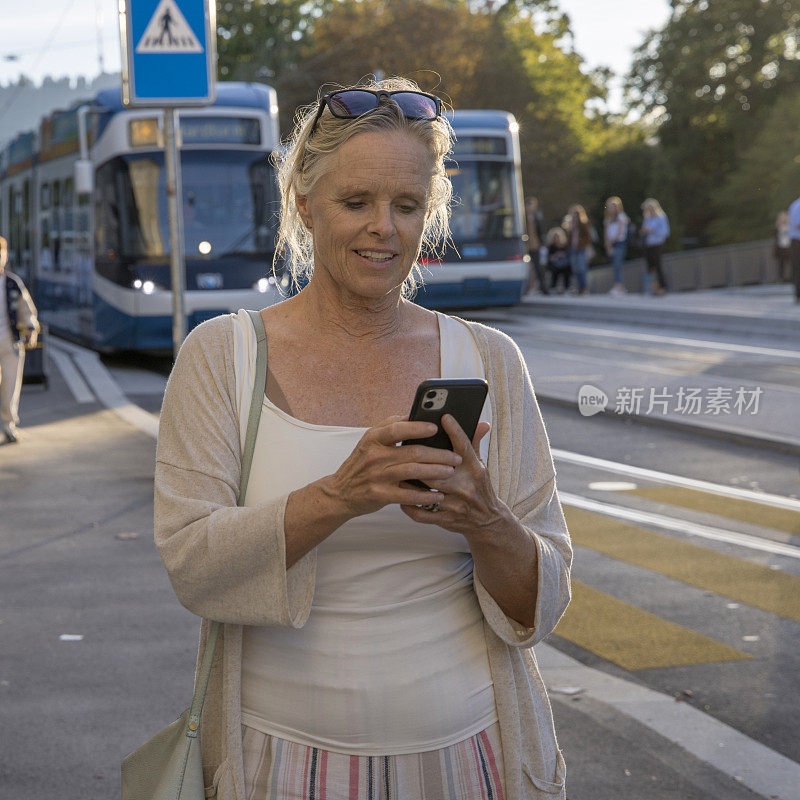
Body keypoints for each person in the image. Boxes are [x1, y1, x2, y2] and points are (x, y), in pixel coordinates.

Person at [154, 78, 572, 800]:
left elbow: (543, 601)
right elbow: (193, 566)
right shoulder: (222, 355)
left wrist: (487, 520)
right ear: (304, 205)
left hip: (469, 759)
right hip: (274, 764)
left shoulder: (491, 360)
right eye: (357, 203)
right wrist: (339, 496)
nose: (385, 227)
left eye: (407, 205)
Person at [0, 235, 39, 444]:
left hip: (11, 343)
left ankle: (8, 425)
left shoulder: (13, 283)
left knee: (10, 385)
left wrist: (31, 328)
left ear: (5, 256)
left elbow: (26, 309)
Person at [640, 198, 671, 295]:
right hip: (649, 244)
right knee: (650, 266)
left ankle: (662, 287)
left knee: (658, 266)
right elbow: (644, 230)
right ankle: (652, 287)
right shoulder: (647, 218)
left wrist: (653, 231)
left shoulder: (661, 217)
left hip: (658, 243)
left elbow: (665, 232)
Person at [603, 196, 629, 295]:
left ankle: (618, 285)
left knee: (618, 264)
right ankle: (619, 285)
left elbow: (620, 232)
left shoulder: (621, 217)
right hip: (611, 244)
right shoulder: (608, 219)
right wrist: (608, 245)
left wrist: (612, 241)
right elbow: (606, 233)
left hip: (619, 243)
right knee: (614, 265)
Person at [565, 204, 592, 294]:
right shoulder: (570, 225)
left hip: (581, 249)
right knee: (575, 269)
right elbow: (568, 239)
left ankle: (584, 287)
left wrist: (582, 244)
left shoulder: (583, 224)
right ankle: (578, 287)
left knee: (581, 268)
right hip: (572, 250)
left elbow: (588, 237)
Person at [525, 196, 548, 294]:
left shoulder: (537, 217)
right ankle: (527, 288)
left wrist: (542, 243)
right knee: (527, 268)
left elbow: (540, 231)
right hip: (524, 246)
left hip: (535, 245)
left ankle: (543, 288)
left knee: (538, 267)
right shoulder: (522, 217)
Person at [545, 226, 571, 293]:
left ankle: (567, 288)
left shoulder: (565, 246)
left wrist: (563, 255)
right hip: (555, 265)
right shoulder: (551, 247)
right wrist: (556, 255)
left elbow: (568, 255)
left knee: (567, 269)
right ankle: (553, 287)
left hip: (564, 264)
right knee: (554, 270)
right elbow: (549, 258)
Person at [787, 195, 800, 302]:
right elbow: (798, 224)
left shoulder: (795, 204)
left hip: (796, 241)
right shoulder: (798, 205)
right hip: (797, 241)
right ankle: (798, 294)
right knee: (798, 268)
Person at [774, 211, 791, 282]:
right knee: (781, 264)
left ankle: (791, 276)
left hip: (789, 246)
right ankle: (781, 278)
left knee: (791, 262)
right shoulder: (778, 227)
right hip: (781, 247)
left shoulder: (789, 226)